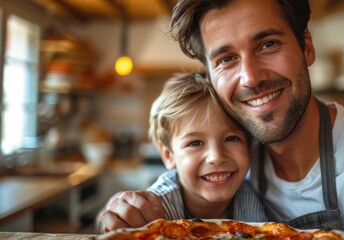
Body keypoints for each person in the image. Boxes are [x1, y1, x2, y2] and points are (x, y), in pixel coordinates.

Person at [98, 0, 344, 239]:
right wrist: (123, 212)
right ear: (211, 77)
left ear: (306, 46)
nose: (250, 78)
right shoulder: (228, 159)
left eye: (268, 44)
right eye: (227, 59)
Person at [97, 72, 269, 232]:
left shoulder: (255, 197)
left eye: (231, 138)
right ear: (168, 155)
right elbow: (116, 221)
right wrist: (113, 219)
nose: (216, 157)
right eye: (195, 143)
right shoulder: (155, 208)